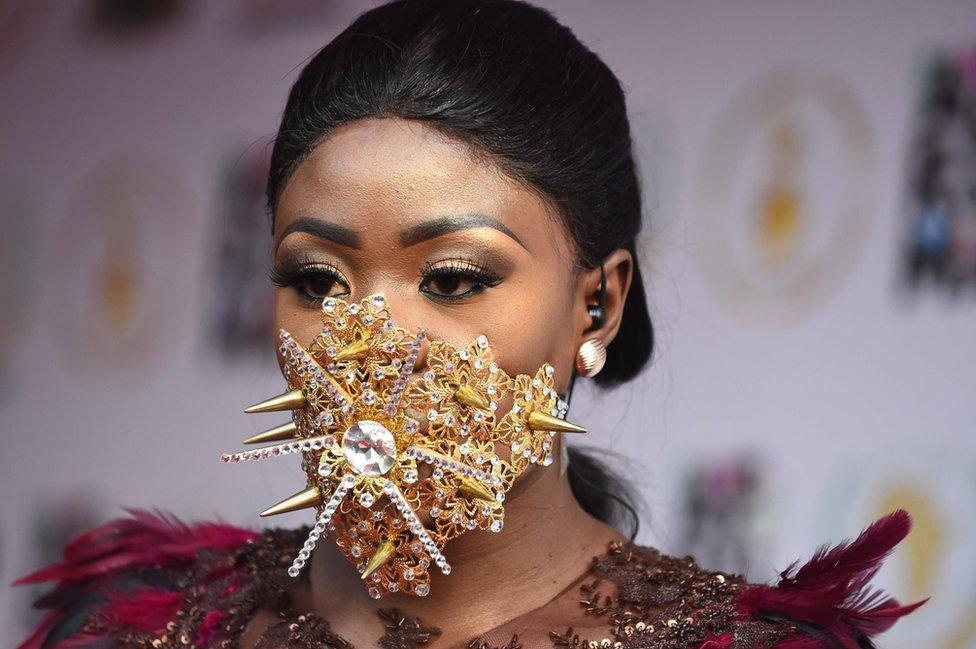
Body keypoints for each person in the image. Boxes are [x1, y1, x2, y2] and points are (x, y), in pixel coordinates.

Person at [13, 1, 925, 647]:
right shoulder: (129, 625)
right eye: (315, 278)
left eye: (451, 278)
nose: (370, 341)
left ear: (596, 302)